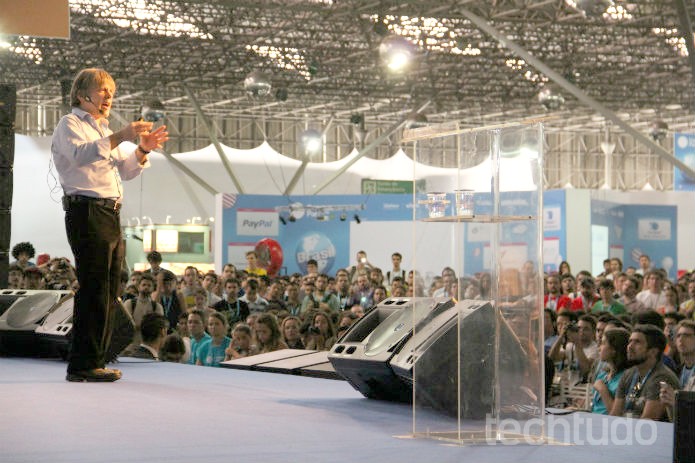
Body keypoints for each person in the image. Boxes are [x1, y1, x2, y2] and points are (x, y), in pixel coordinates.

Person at [52, 68, 168, 382]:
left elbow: (127, 172)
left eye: (111, 92)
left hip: (109, 212)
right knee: (94, 289)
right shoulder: (71, 124)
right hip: (87, 210)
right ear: (81, 94)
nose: (108, 97)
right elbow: (79, 155)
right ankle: (82, 364)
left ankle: (96, 359)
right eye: (102, 90)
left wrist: (142, 149)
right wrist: (121, 136)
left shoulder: (104, 130)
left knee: (108, 291)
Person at [611, 324, 680, 420]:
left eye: (637, 342)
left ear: (653, 352)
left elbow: (647, 423)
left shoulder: (662, 378)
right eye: (630, 341)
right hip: (625, 430)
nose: (630, 346)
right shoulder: (628, 374)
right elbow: (614, 415)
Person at [591, 328, 630, 415]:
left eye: (603, 343)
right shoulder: (602, 375)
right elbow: (596, 408)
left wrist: (603, 390)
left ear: (614, 350)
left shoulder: (625, 378)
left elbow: (617, 414)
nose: (599, 347)